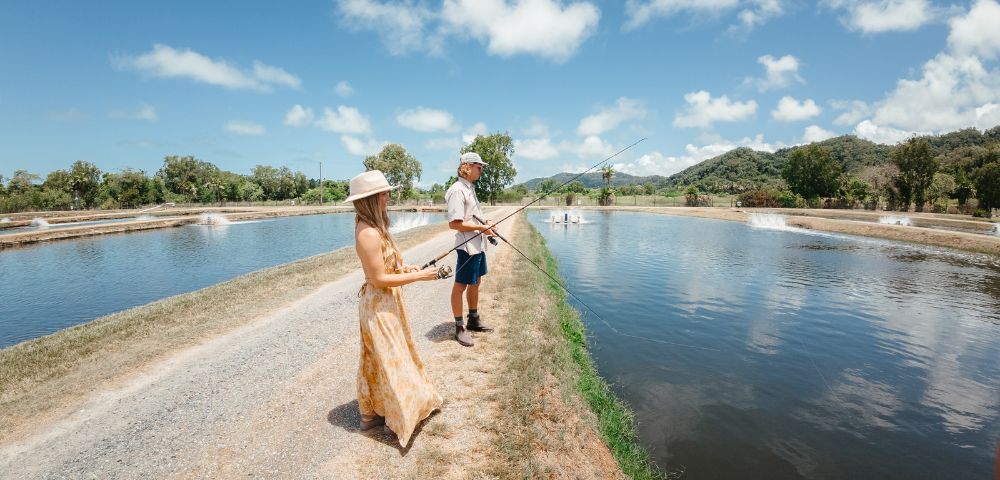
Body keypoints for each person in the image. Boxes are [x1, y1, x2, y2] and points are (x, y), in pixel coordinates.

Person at [348, 170, 443, 448]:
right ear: (371, 199)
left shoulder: (376, 227)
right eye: (385, 193)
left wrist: (405, 268)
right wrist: (421, 276)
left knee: (380, 358)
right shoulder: (367, 232)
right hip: (378, 306)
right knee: (392, 359)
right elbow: (377, 278)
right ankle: (395, 418)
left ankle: (370, 415)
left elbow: (386, 268)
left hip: (387, 301)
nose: (389, 196)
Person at [445, 152, 497, 347]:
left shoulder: (469, 189)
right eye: (479, 166)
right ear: (467, 167)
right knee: (460, 286)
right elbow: (455, 224)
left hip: (477, 246)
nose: (481, 170)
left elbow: (474, 216)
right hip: (466, 248)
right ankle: (459, 327)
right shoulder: (457, 190)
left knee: (476, 282)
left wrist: (488, 223)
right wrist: (482, 228)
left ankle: (473, 319)